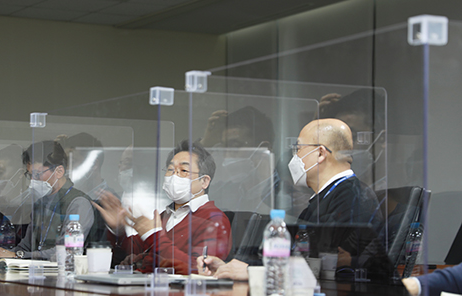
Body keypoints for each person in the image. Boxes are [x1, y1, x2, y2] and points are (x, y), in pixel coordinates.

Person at [199, 118, 387, 280]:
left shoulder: (352, 198)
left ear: (320, 153)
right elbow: (296, 257)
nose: (295, 157)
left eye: (298, 149)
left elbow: (326, 266)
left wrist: (251, 272)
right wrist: (229, 268)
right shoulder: (326, 197)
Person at [94, 141, 231, 274]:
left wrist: (153, 235)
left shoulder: (214, 221)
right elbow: (131, 253)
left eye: (183, 170)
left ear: (204, 181)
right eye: (170, 170)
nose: (174, 176)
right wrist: (119, 230)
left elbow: (200, 269)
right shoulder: (165, 215)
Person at [0, 140, 94, 260]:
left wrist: (18, 255)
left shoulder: (78, 203)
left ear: (59, 172)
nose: (32, 180)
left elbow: (67, 250)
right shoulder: (40, 203)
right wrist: (3, 254)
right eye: (30, 175)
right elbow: (25, 247)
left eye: (37, 174)